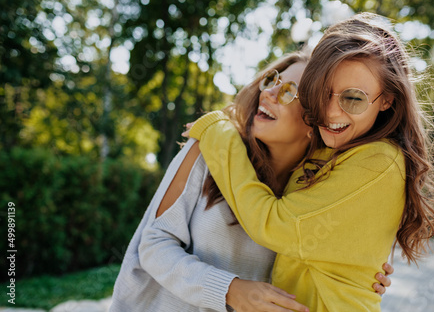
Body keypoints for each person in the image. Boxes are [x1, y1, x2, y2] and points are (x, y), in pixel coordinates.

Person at [188, 12, 434, 311]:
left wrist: (218, 133)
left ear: (387, 99)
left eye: (353, 98)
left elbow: (272, 223)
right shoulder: (330, 148)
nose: (331, 113)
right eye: (322, 93)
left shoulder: (380, 160)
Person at [110, 50, 393, 312]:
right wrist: (229, 290)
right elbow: (153, 243)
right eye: (272, 81)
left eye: (288, 92)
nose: (269, 93)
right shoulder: (209, 150)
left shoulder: (318, 194)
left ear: (315, 121)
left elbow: (334, 265)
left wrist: (362, 274)